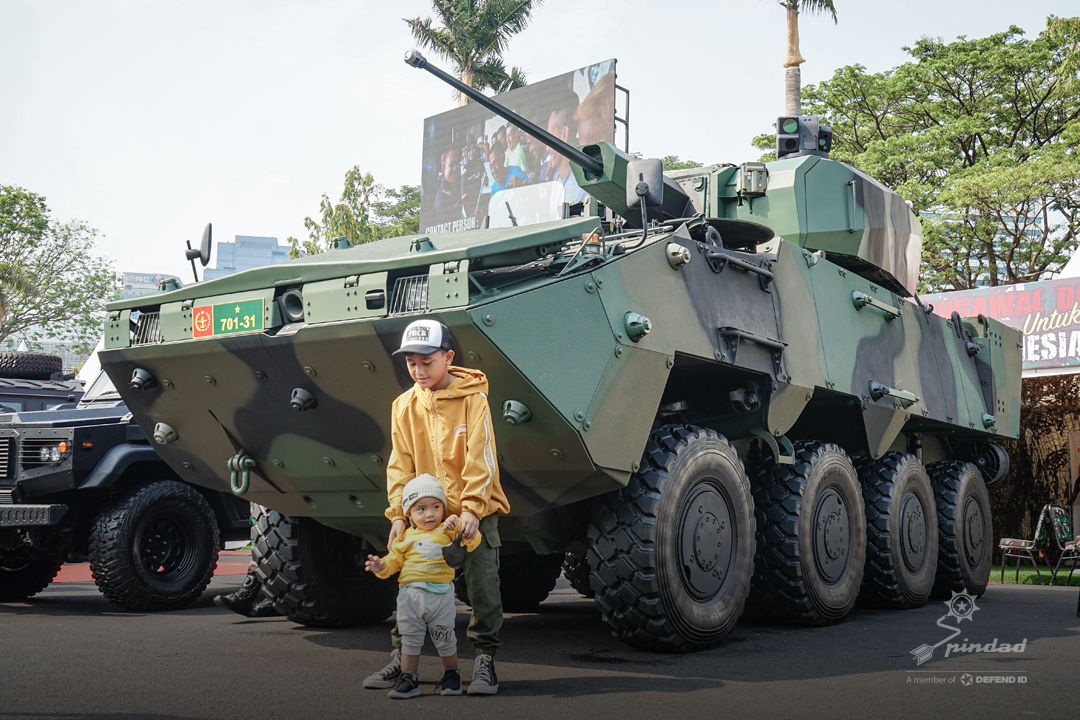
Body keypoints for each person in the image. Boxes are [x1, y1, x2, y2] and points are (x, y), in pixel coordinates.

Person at [362, 318, 510, 696]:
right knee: (412, 587)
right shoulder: (403, 406)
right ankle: (402, 661)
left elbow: (482, 457)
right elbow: (400, 464)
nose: (418, 370)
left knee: (483, 589)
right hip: (426, 516)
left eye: (427, 362)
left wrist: (472, 509)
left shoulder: (473, 400)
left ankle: (484, 661)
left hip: (475, 513)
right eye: (411, 362)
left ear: (448, 357)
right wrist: (399, 515)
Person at [365, 474, 482, 698]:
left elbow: (472, 541)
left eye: (436, 506)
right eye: (421, 509)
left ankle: (451, 675)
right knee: (410, 640)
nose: (430, 514)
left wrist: (459, 525)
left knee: (445, 638)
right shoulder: (404, 537)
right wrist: (381, 566)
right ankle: (409, 678)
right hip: (410, 596)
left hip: (441, 596)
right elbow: (393, 562)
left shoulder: (447, 530)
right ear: (409, 514)